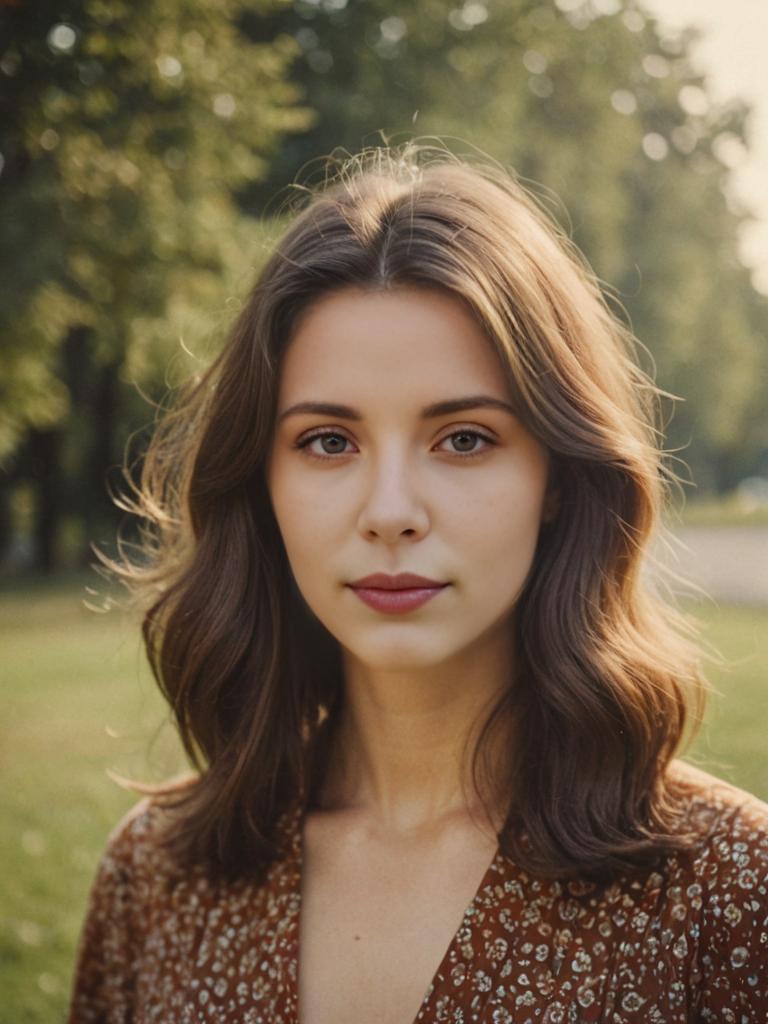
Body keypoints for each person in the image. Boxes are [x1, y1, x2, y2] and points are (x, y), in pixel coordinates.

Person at [67, 144, 768, 1024]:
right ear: (262, 483)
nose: (390, 512)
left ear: (556, 477)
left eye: (464, 439)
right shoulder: (156, 879)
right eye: (329, 441)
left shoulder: (730, 891)